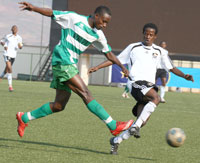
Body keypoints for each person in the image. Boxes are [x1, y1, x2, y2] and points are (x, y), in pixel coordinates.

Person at [16, 2, 134, 138]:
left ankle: (24, 118)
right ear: (96, 16)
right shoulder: (74, 18)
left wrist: (123, 67)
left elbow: (109, 54)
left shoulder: (98, 35)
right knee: (86, 94)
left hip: (69, 64)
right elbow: (52, 13)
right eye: (103, 21)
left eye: (107, 23)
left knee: (59, 105)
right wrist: (34, 8)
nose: (104, 25)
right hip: (62, 60)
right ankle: (113, 126)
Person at [88, 23, 194, 154]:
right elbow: (115, 59)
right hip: (135, 82)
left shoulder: (160, 51)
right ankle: (135, 127)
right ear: (143, 33)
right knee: (156, 98)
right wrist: (98, 67)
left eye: (151, 35)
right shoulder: (133, 47)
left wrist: (184, 76)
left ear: (155, 36)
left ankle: (116, 141)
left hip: (148, 86)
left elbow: (171, 68)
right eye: (146, 34)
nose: (148, 36)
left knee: (141, 121)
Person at [0, 25, 23, 91]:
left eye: (15, 28)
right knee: (9, 68)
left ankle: (1, 76)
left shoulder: (19, 38)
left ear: (17, 30)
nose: (14, 29)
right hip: (7, 54)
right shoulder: (8, 36)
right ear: (11, 29)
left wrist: (20, 46)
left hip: (13, 55)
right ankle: (10, 86)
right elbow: (1, 41)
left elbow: (20, 46)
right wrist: (4, 45)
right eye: (13, 28)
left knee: (7, 69)